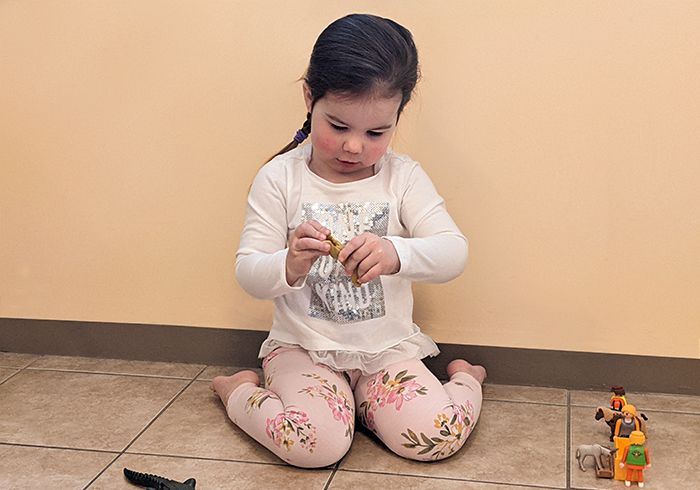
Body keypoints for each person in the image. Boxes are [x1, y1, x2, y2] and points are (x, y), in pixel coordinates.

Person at [212, 13, 486, 468]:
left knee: (439, 436)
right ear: (309, 98)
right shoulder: (280, 178)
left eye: (376, 133)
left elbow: (454, 251)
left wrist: (396, 253)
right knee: (314, 445)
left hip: (385, 351)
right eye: (337, 126)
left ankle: (465, 378)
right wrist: (290, 264)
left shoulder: (404, 177)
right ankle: (237, 388)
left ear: (398, 118)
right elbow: (248, 272)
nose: (354, 147)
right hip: (304, 349)